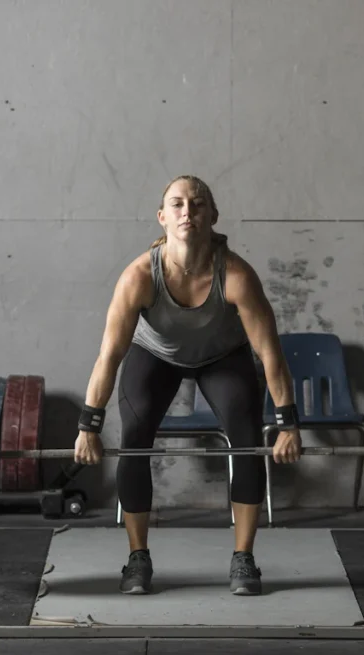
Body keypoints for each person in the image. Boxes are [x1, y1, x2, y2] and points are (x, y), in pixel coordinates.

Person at [74, 175, 302, 596]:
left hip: (222, 356)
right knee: (135, 437)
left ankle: (244, 558)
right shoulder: (139, 276)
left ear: (213, 216)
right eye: (177, 204)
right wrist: (89, 426)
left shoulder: (236, 275)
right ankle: (137, 557)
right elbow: (109, 355)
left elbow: (270, 354)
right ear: (162, 217)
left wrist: (288, 425)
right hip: (155, 354)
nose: (187, 212)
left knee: (247, 440)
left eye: (197, 204)